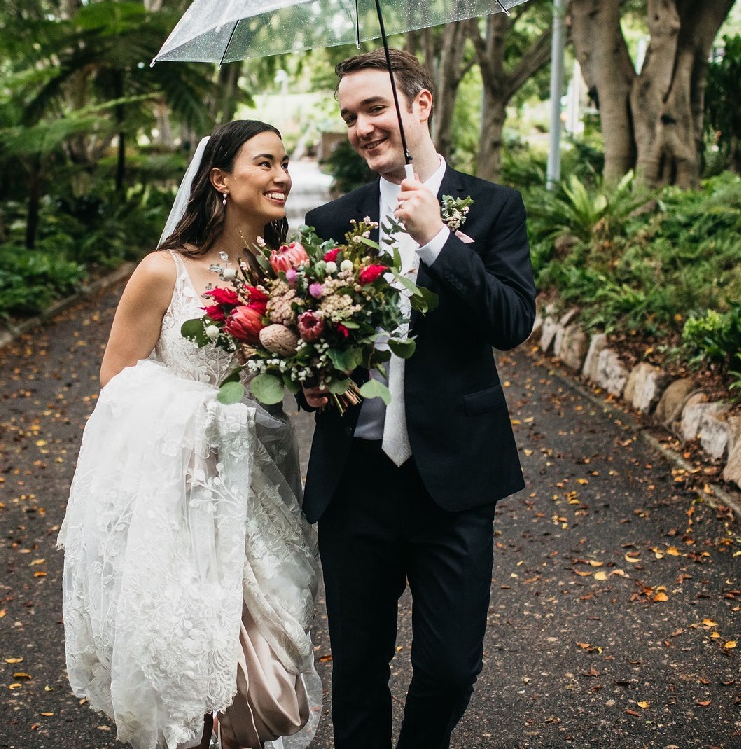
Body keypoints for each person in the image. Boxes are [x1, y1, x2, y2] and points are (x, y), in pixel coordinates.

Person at [58, 119, 322, 749]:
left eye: (284, 163)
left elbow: (286, 376)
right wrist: (203, 415)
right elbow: (116, 382)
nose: (282, 176)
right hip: (183, 489)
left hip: (260, 477)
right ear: (220, 180)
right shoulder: (162, 271)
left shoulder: (288, 274)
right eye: (264, 163)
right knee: (196, 647)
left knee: (273, 657)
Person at [301, 49, 535, 749]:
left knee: (450, 669)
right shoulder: (330, 223)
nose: (363, 126)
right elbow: (315, 338)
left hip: (455, 481)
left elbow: (511, 323)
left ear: (421, 104)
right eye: (350, 116)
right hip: (358, 482)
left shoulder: (494, 208)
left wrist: (437, 238)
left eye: (375, 108)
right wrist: (314, 379)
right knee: (359, 672)